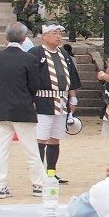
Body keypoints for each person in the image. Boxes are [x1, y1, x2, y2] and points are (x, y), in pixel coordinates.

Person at [0, 22, 47, 199]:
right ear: (24, 38)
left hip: (2, 107)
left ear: (6, 37)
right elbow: (34, 85)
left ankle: (0, 186)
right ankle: (38, 184)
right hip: (23, 108)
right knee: (31, 149)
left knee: (1, 149)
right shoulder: (29, 59)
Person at [29, 22, 81, 184]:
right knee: (41, 138)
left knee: (55, 138)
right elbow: (28, 78)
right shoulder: (35, 53)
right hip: (42, 100)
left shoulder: (64, 54)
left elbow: (71, 77)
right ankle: (38, 173)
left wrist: (73, 97)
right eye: (55, 33)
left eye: (60, 33)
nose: (59, 36)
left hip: (61, 101)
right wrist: (30, 100)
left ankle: (51, 172)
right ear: (45, 36)